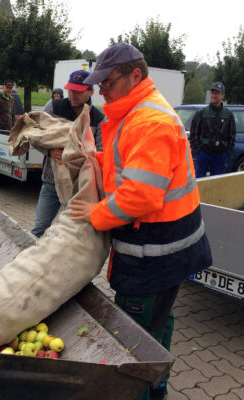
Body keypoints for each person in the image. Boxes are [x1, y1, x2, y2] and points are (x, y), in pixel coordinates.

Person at [68, 43, 212, 400]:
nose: (102, 91)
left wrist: (95, 215)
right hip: (171, 247)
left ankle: (142, 391)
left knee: (132, 339)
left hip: (154, 253)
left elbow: (140, 195)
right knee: (160, 322)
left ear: (135, 76)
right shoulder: (136, 114)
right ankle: (159, 386)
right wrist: (92, 161)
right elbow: (127, 168)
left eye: (108, 83)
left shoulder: (149, 121)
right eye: (99, 84)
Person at [31, 70, 105, 238]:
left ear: (90, 91)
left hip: (80, 187)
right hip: (51, 181)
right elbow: (35, 135)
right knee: (39, 229)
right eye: (70, 90)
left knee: (75, 233)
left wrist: (74, 154)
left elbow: (99, 153)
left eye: (78, 91)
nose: (72, 94)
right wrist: (49, 151)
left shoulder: (98, 118)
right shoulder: (53, 106)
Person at [189, 82, 236, 178]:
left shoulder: (229, 114)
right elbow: (194, 133)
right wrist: (197, 151)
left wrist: (227, 152)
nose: (214, 95)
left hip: (220, 155)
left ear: (222, 95)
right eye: (212, 93)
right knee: (199, 182)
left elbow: (232, 134)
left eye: (217, 93)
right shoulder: (201, 113)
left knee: (217, 184)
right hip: (203, 154)